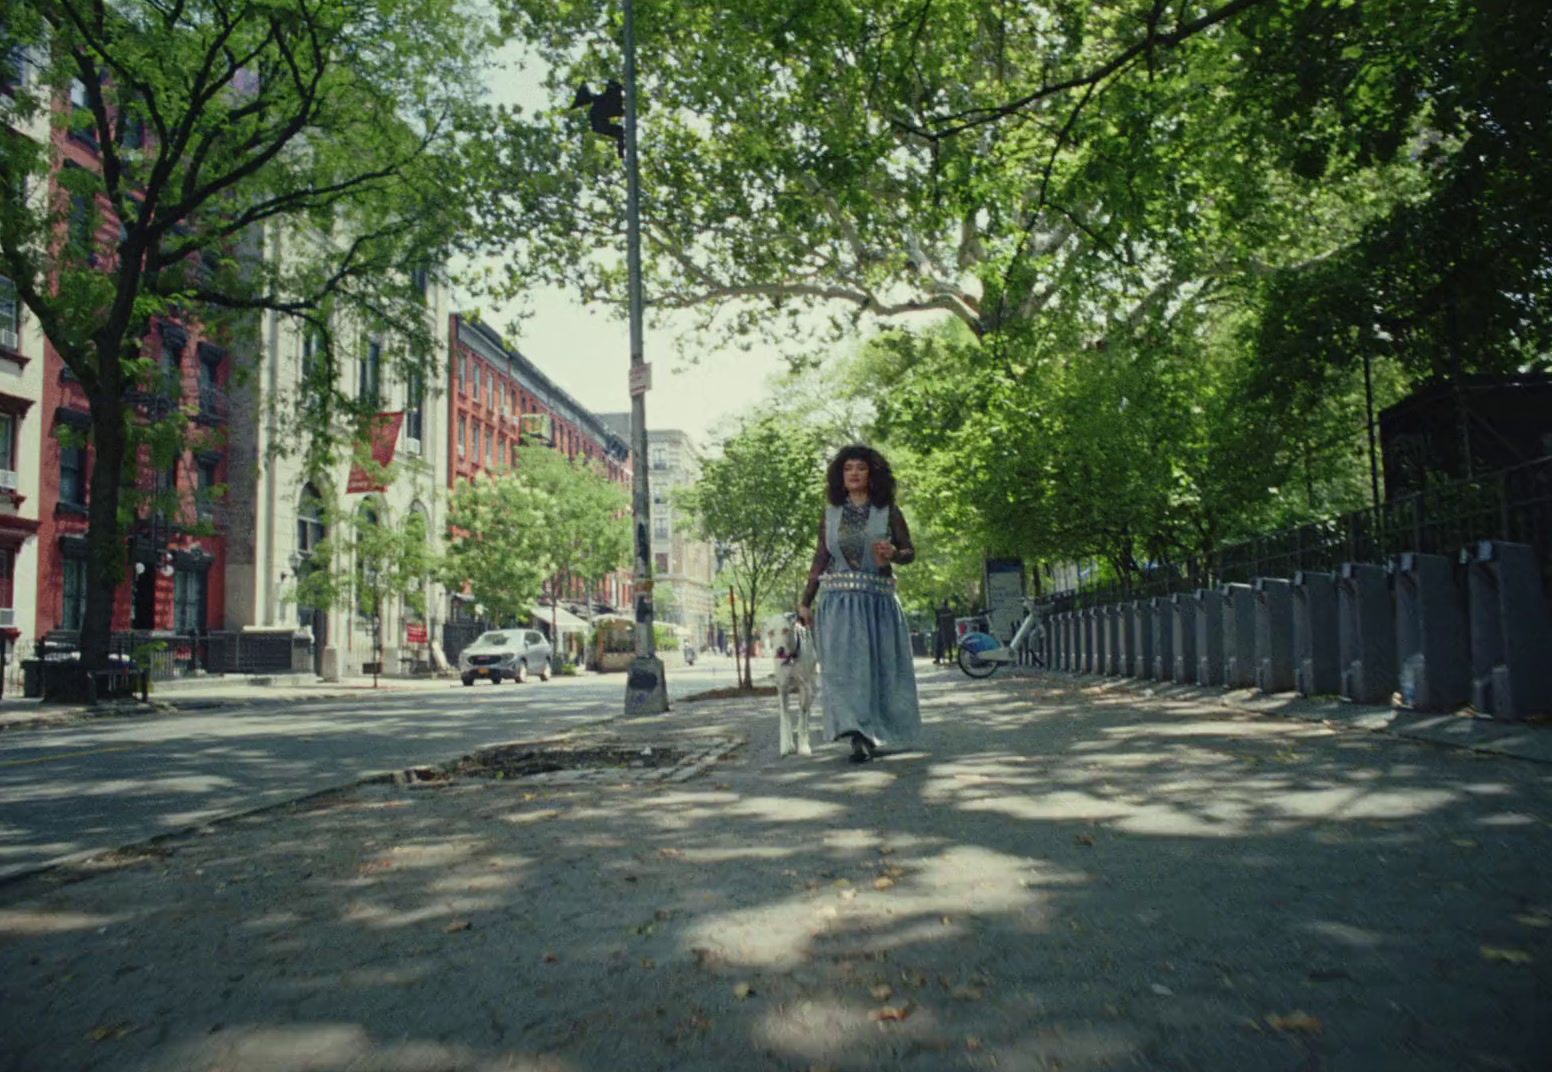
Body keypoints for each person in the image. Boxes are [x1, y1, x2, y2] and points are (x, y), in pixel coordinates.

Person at [798, 445, 921, 763]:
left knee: (877, 670)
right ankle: (856, 734)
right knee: (843, 672)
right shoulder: (830, 515)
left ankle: (875, 730)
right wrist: (806, 602)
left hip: (878, 603)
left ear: (872, 474)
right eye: (848, 468)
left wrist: (894, 554)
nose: (853, 473)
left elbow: (909, 551)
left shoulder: (888, 511)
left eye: (860, 468)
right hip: (838, 604)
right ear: (841, 476)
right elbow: (820, 558)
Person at [933, 598, 955, 664]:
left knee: (939, 643)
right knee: (949, 644)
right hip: (949, 629)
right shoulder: (950, 610)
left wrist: (937, 625)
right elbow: (953, 620)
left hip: (942, 629)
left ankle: (938, 658)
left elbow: (937, 619)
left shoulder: (939, 610)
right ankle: (950, 657)